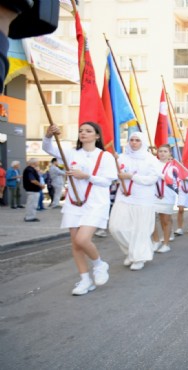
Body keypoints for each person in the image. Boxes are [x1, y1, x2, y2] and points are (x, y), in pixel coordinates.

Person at [43, 123, 117, 295]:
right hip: (74, 203)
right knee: (75, 245)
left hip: (96, 204)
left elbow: (108, 181)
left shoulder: (105, 156)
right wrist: (48, 135)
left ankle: (99, 264)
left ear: (97, 136)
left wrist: (87, 176)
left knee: (82, 240)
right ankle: (85, 280)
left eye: (88, 131)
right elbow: (48, 148)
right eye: (81, 131)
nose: (83, 133)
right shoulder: (71, 153)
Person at [109, 131, 160, 271]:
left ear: (143, 142)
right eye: (131, 140)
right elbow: (113, 175)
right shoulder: (121, 158)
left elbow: (152, 179)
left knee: (140, 230)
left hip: (143, 200)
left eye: (137, 140)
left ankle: (139, 257)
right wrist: (112, 163)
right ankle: (132, 252)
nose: (134, 142)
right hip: (124, 197)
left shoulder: (151, 159)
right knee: (116, 228)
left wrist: (131, 176)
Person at [151, 145, 178, 253]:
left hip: (167, 195)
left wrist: (159, 174)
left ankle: (166, 244)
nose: (162, 153)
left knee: (165, 220)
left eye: (165, 151)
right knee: (151, 219)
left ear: (170, 153)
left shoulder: (174, 166)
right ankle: (156, 240)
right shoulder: (153, 164)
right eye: (160, 151)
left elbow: (173, 181)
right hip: (153, 195)